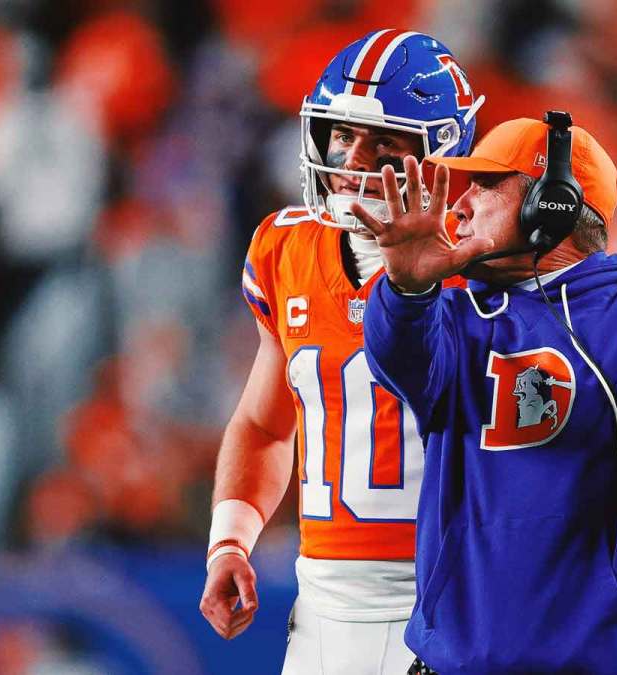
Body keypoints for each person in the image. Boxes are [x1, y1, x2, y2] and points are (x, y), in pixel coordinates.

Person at [354, 115, 617, 674]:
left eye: (486, 185)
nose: (460, 205)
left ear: (551, 204)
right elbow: (396, 353)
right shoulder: (452, 318)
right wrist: (407, 288)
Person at [196, 29, 483, 674]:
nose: (352, 159)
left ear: (442, 154)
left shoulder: (488, 266)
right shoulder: (285, 248)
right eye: (341, 135)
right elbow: (266, 425)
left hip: (454, 606)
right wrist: (231, 542)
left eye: (385, 142)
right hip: (322, 608)